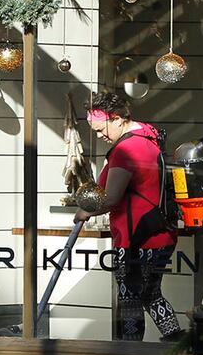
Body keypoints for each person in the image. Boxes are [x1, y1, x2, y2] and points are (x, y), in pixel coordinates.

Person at [74, 90, 182, 341]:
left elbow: (111, 198)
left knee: (130, 299)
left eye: (102, 129)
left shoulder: (126, 149)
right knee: (150, 293)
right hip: (160, 232)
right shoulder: (149, 136)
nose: (100, 136)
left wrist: (86, 211)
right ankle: (177, 341)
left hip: (136, 238)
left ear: (118, 119)